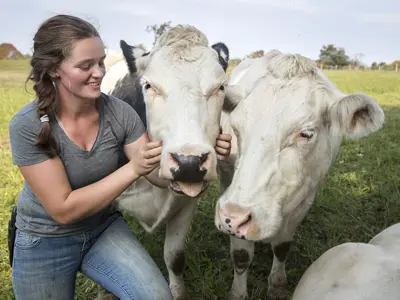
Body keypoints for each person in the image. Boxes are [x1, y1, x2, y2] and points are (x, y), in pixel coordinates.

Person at [8, 14, 232, 300]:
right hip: (43, 238)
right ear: (54, 70)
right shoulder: (27, 124)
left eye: (101, 61)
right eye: (85, 65)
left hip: (101, 230)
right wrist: (132, 169)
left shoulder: (119, 112)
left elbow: (154, 174)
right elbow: (63, 210)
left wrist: (193, 162)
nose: (99, 73)